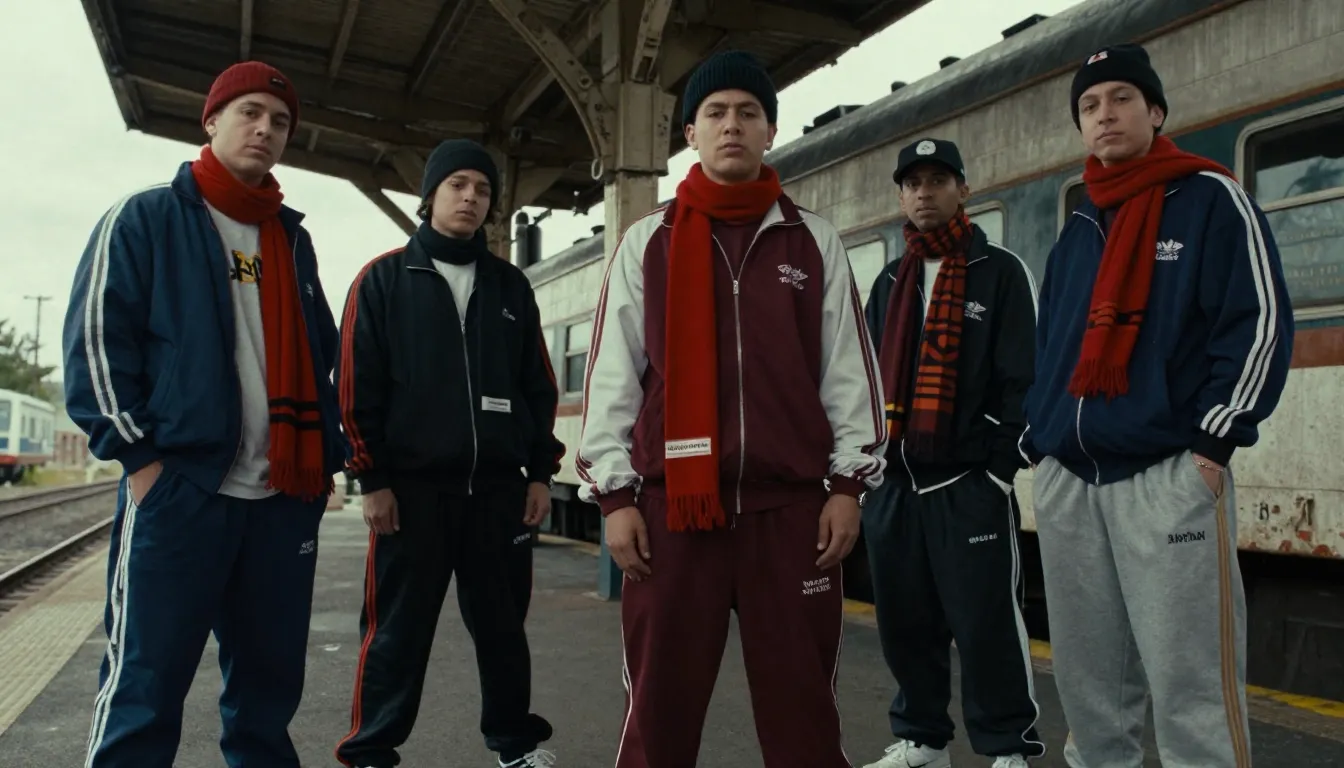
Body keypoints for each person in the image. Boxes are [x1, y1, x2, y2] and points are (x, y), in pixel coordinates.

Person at [574, 49, 888, 768]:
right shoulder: (647, 243)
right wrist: (615, 497)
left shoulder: (813, 241)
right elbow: (613, 380)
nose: (732, 125)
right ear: (690, 133)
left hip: (792, 516)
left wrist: (848, 487)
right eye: (715, 113)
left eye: (749, 112)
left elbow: (848, 375)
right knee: (659, 713)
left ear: (771, 130)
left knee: (804, 715)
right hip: (673, 517)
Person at [62, 61, 347, 767]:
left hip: (279, 502)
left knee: (267, 696)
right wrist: (142, 462)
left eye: (280, 122)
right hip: (183, 491)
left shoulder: (292, 240)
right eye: (250, 112)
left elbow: (322, 356)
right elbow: (98, 344)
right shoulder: (146, 218)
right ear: (211, 120)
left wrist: (324, 464)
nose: (265, 129)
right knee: (145, 685)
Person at [1020, 43, 1293, 768]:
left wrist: (1213, 444)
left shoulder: (1210, 199)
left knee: (1190, 683)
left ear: (1156, 111)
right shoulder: (1079, 227)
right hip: (1072, 480)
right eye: (1089, 105)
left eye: (1121, 98)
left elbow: (1258, 322)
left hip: (1168, 474)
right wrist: (1039, 439)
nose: (1104, 114)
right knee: (1089, 688)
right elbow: (1051, 346)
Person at [332, 139, 565, 768]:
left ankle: (514, 746)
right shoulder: (382, 280)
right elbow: (354, 387)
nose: (470, 197)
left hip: (498, 492)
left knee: (503, 629)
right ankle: (369, 750)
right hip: (412, 495)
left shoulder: (510, 286)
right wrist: (371, 478)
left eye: (483, 189)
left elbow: (537, 387)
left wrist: (539, 473)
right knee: (396, 630)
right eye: (457, 184)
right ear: (429, 195)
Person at [859, 138, 1043, 768]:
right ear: (901, 197)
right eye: (912, 183)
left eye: (938, 180)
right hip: (895, 484)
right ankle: (923, 739)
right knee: (905, 623)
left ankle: (1009, 746)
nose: (924, 193)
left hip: (968, 483)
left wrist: (998, 472)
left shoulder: (1001, 271)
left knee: (986, 622)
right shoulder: (890, 281)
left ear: (963, 189)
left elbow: (1024, 379)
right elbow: (865, 379)